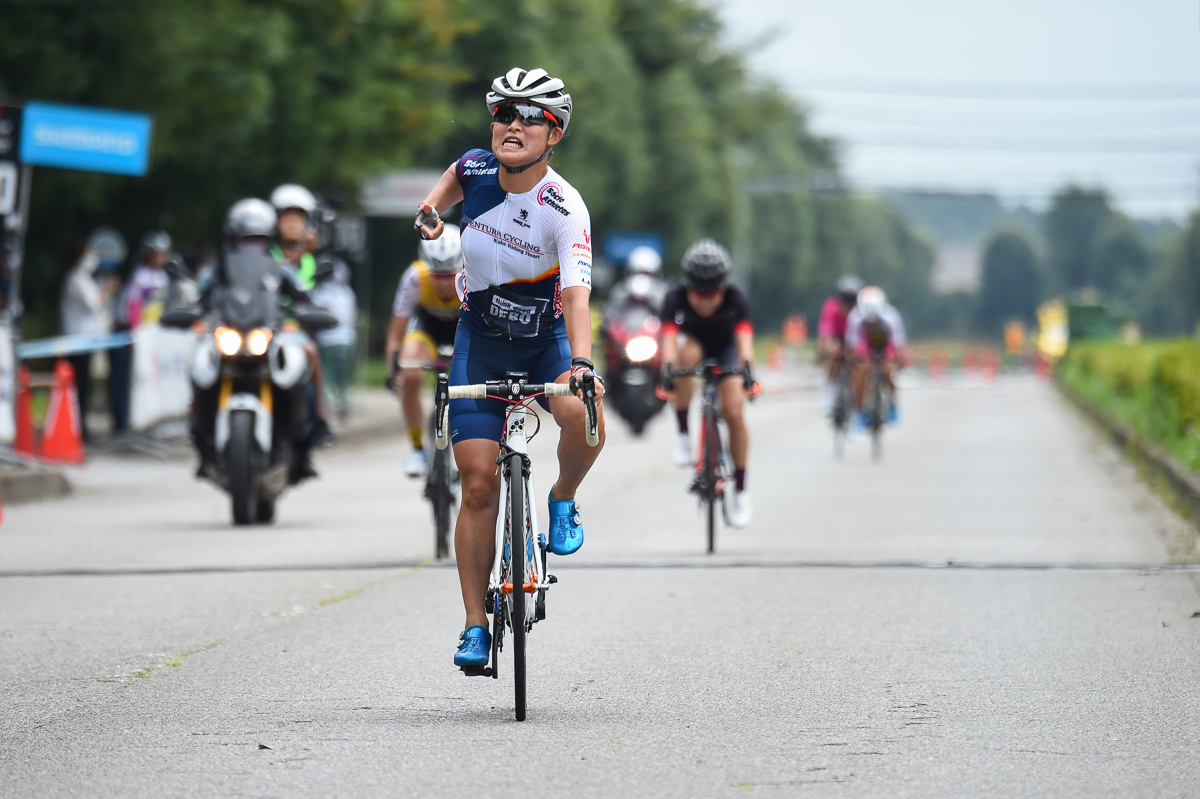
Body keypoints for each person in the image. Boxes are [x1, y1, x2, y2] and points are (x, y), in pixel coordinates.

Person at [413, 67, 605, 670]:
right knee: (475, 483)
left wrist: (580, 362)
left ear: (555, 135)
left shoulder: (564, 207)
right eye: (504, 113)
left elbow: (576, 296)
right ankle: (474, 625)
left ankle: (563, 496)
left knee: (583, 415)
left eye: (530, 117)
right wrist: (430, 213)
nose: (512, 125)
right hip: (482, 337)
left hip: (545, 337)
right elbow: (448, 182)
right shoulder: (474, 169)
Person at [191, 198, 326, 481]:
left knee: (300, 365)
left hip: (268, 337)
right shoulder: (219, 270)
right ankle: (201, 445)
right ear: (233, 240)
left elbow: (303, 298)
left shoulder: (279, 270)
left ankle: (305, 443)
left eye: (259, 240)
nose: (252, 247)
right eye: (246, 240)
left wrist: (311, 312)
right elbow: (198, 298)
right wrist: (189, 313)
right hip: (227, 335)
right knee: (198, 367)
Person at [656, 239, 761, 528]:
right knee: (683, 357)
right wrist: (667, 370)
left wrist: (747, 370)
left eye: (712, 292)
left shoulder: (736, 297)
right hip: (694, 346)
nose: (705, 300)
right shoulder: (674, 297)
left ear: (723, 286)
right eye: (697, 292)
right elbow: (668, 340)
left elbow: (744, 340)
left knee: (734, 412)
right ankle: (682, 434)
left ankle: (741, 490)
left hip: (726, 349)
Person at [385, 224, 463, 478]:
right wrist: (394, 371)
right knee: (410, 374)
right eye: (436, 275)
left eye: (448, 275)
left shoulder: (473, 275)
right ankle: (418, 449)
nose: (442, 282)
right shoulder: (414, 277)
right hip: (427, 329)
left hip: (463, 328)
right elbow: (396, 335)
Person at [269, 183, 333, 445]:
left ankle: (319, 417)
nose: (293, 225)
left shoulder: (309, 262)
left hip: (295, 328)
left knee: (310, 351)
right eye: (287, 218)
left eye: (299, 219)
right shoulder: (265, 254)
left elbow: (310, 296)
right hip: (262, 325)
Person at [60, 241, 117, 442]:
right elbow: (93, 304)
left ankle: (81, 427)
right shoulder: (75, 279)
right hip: (77, 340)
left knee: (84, 385)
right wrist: (107, 289)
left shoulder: (86, 280)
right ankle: (76, 428)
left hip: (88, 341)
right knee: (78, 385)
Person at [845, 285, 908, 424]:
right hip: (865, 343)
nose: (872, 323)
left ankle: (892, 403)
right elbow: (852, 346)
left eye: (875, 320)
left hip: (886, 343)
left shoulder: (892, 317)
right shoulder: (854, 318)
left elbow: (897, 346)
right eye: (868, 321)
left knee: (888, 371)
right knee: (862, 370)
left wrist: (897, 362)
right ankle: (860, 410)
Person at [310, 255, 358, 421]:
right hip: (345, 340)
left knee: (326, 377)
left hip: (325, 341)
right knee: (342, 378)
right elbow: (352, 317)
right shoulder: (348, 294)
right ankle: (344, 407)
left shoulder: (320, 293)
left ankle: (326, 409)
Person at [816, 274, 862, 414]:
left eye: (852, 300)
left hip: (853, 339)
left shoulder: (860, 311)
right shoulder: (831, 307)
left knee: (859, 365)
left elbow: (862, 338)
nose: (848, 304)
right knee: (831, 357)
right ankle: (829, 393)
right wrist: (830, 350)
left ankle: (856, 397)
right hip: (836, 337)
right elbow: (825, 334)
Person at [602, 245, 667, 326]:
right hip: (624, 335)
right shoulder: (620, 292)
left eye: (647, 273)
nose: (642, 277)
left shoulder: (661, 293)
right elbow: (610, 315)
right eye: (638, 272)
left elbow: (667, 316)